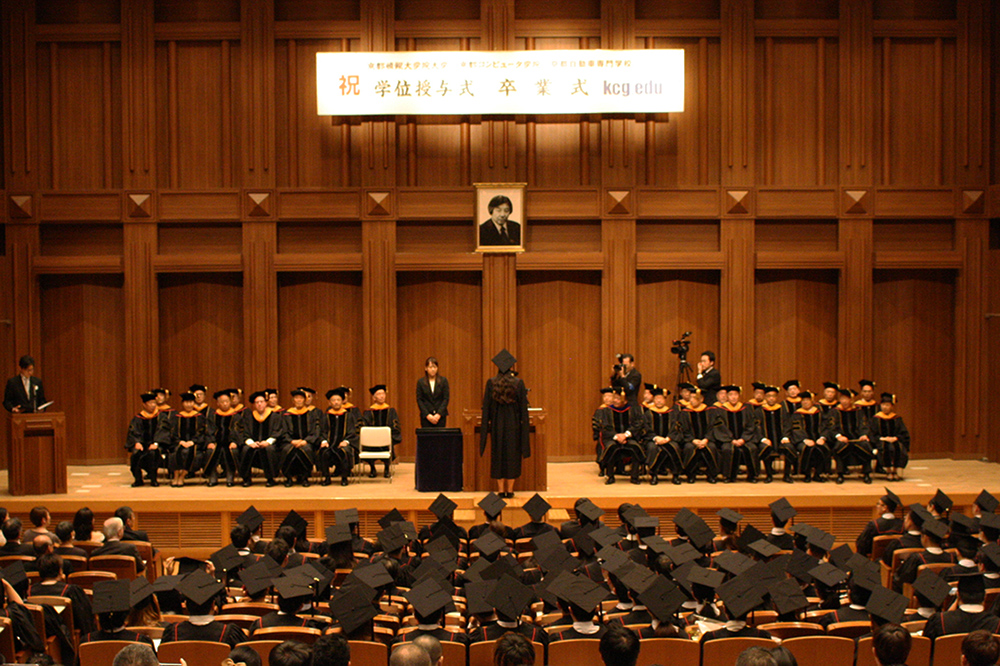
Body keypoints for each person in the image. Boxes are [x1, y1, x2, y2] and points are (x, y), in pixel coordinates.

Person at [480, 350, 530, 498]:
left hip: (497, 426)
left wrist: (486, 427)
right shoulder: (518, 383)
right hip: (514, 426)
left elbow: (486, 408)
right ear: (511, 368)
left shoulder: (491, 383)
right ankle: (510, 490)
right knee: (512, 456)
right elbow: (523, 409)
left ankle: (501, 490)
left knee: (498, 455)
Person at [155, 391, 206, 487]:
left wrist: (193, 441)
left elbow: (202, 432)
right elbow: (171, 433)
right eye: (186, 402)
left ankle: (183, 475)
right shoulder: (176, 417)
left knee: (190, 453)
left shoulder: (200, 417)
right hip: (178, 443)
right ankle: (176, 475)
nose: (189, 404)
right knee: (174, 453)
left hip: (194, 444)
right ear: (182, 404)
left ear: (193, 403)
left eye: (191, 402)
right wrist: (180, 441)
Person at [598, 387, 645, 485]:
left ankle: (635, 476)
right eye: (614, 398)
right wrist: (617, 436)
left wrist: (626, 435)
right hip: (613, 438)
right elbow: (605, 427)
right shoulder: (606, 411)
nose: (615, 401)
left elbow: (637, 425)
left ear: (625, 400)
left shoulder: (632, 410)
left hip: (629, 437)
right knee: (611, 447)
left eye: (618, 399)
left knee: (636, 447)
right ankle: (610, 476)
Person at [238, 391, 283, 487]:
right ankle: (246, 478)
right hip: (253, 444)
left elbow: (277, 432)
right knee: (246, 449)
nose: (259, 404)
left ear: (266, 403)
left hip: (269, 444)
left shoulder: (275, 416)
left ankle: (270, 478)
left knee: (269, 449)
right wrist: (250, 443)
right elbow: (244, 433)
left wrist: (268, 442)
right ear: (253, 405)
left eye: (261, 402)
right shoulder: (248, 417)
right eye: (257, 402)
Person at [828, 387, 872, 484]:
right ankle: (840, 474)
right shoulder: (835, 412)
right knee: (839, 447)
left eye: (847, 399)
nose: (844, 401)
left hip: (857, 439)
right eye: (842, 399)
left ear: (851, 400)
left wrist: (863, 435)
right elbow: (831, 427)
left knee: (866, 446)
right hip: (842, 439)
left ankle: (867, 474)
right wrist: (838, 436)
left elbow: (864, 425)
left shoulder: (858, 411)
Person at [717, 385, 759, 484]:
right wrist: (731, 439)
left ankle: (752, 475)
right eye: (731, 395)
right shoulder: (721, 410)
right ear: (727, 396)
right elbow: (720, 427)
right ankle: (728, 476)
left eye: (735, 394)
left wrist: (743, 439)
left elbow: (751, 425)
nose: (733, 397)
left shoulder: (746, 409)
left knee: (752, 448)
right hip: (728, 440)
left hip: (745, 439)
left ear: (739, 396)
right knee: (728, 449)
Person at [360, 384, 402, 478]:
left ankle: (387, 469)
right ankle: (372, 469)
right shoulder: (368, 411)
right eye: (379, 394)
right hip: (371, 441)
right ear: (374, 397)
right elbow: (365, 427)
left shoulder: (391, 411)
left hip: (385, 441)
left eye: (383, 393)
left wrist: (390, 436)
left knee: (387, 446)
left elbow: (395, 424)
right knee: (369, 447)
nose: (382, 396)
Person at [319, 388, 359, 486]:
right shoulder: (326, 416)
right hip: (329, 443)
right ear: (329, 402)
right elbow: (321, 431)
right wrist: (324, 441)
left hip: (344, 443)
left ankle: (344, 477)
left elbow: (353, 431)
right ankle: (327, 478)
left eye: (338, 400)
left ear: (342, 402)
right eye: (333, 400)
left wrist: (346, 441)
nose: (336, 402)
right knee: (323, 452)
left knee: (345, 451)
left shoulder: (348, 416)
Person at [789, 391, 831, 483]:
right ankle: (807, 474)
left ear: (812, 401)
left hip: (818, 439)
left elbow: (826, 427)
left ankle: (818, 474)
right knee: (807, 449)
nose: (805, 402)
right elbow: (796, 429)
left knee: (822, 449)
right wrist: (805, 440)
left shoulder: (819, 413)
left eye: (807, 400)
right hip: (802, 440)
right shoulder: (797, 414)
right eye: (803, 400)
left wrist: (822, 438)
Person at [281, 389, 320, 487]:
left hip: (306, 442)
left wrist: (306, 441)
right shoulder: (286, 414)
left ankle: (305, 477)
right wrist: (291, 441)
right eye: (296, 398)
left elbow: (315, 431)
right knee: (287, 450)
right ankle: (289, 477)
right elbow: (283, 431)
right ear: (293, 400)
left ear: (305, 400)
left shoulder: (311, 414)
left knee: (307, 450)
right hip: (290, 442)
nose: (298, 400)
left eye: (301, 398)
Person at [204, 389, 241, 487]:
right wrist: (210, 442)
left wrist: (234, 441)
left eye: (227, 401)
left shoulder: (236, 416)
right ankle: (213, 475)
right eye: (222, 402)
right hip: (216, 443)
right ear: (217, 403)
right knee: (210, 451)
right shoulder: (213, 416)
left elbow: (238, 431)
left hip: (230, 443)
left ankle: (230, 475)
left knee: (233, 451)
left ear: (230, 402)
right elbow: (209, 431)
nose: (225, 404)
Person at [870, 393, 909, 481]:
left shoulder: (897, 418)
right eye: (883, 405)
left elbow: (903, 432)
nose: (885, 407)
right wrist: (882, 438)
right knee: (885, 448)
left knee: (899, 447)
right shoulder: (876, 418)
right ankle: (888, 471)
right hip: (881, 441)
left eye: (887, 405)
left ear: (891, 406)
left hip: (894, 439)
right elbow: (872, 433)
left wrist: (896, 438)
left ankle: (895, 471)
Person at [127, 392, 163, 487]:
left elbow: (163, 431)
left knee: (153, 453)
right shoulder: (138, 418)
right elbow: (133, 432)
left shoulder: (160, 417)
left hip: (155, 445)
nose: (152, 405)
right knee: (135, 454)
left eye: (154, 403)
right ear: (144, 405)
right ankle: (138, 479)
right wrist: (137, 442)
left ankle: (153, 479)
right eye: (150, 403)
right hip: (142, 445)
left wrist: (156, 443)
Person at [416, 357, 450, 428]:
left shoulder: (443, 381)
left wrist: (438, 414)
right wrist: (428, 415)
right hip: (426, 417)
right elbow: (419, 400)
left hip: (440, 418)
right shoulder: (421, 382)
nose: (433, 369)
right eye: (430, 367)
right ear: (426, 368)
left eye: (434, 367)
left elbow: (446, 398)